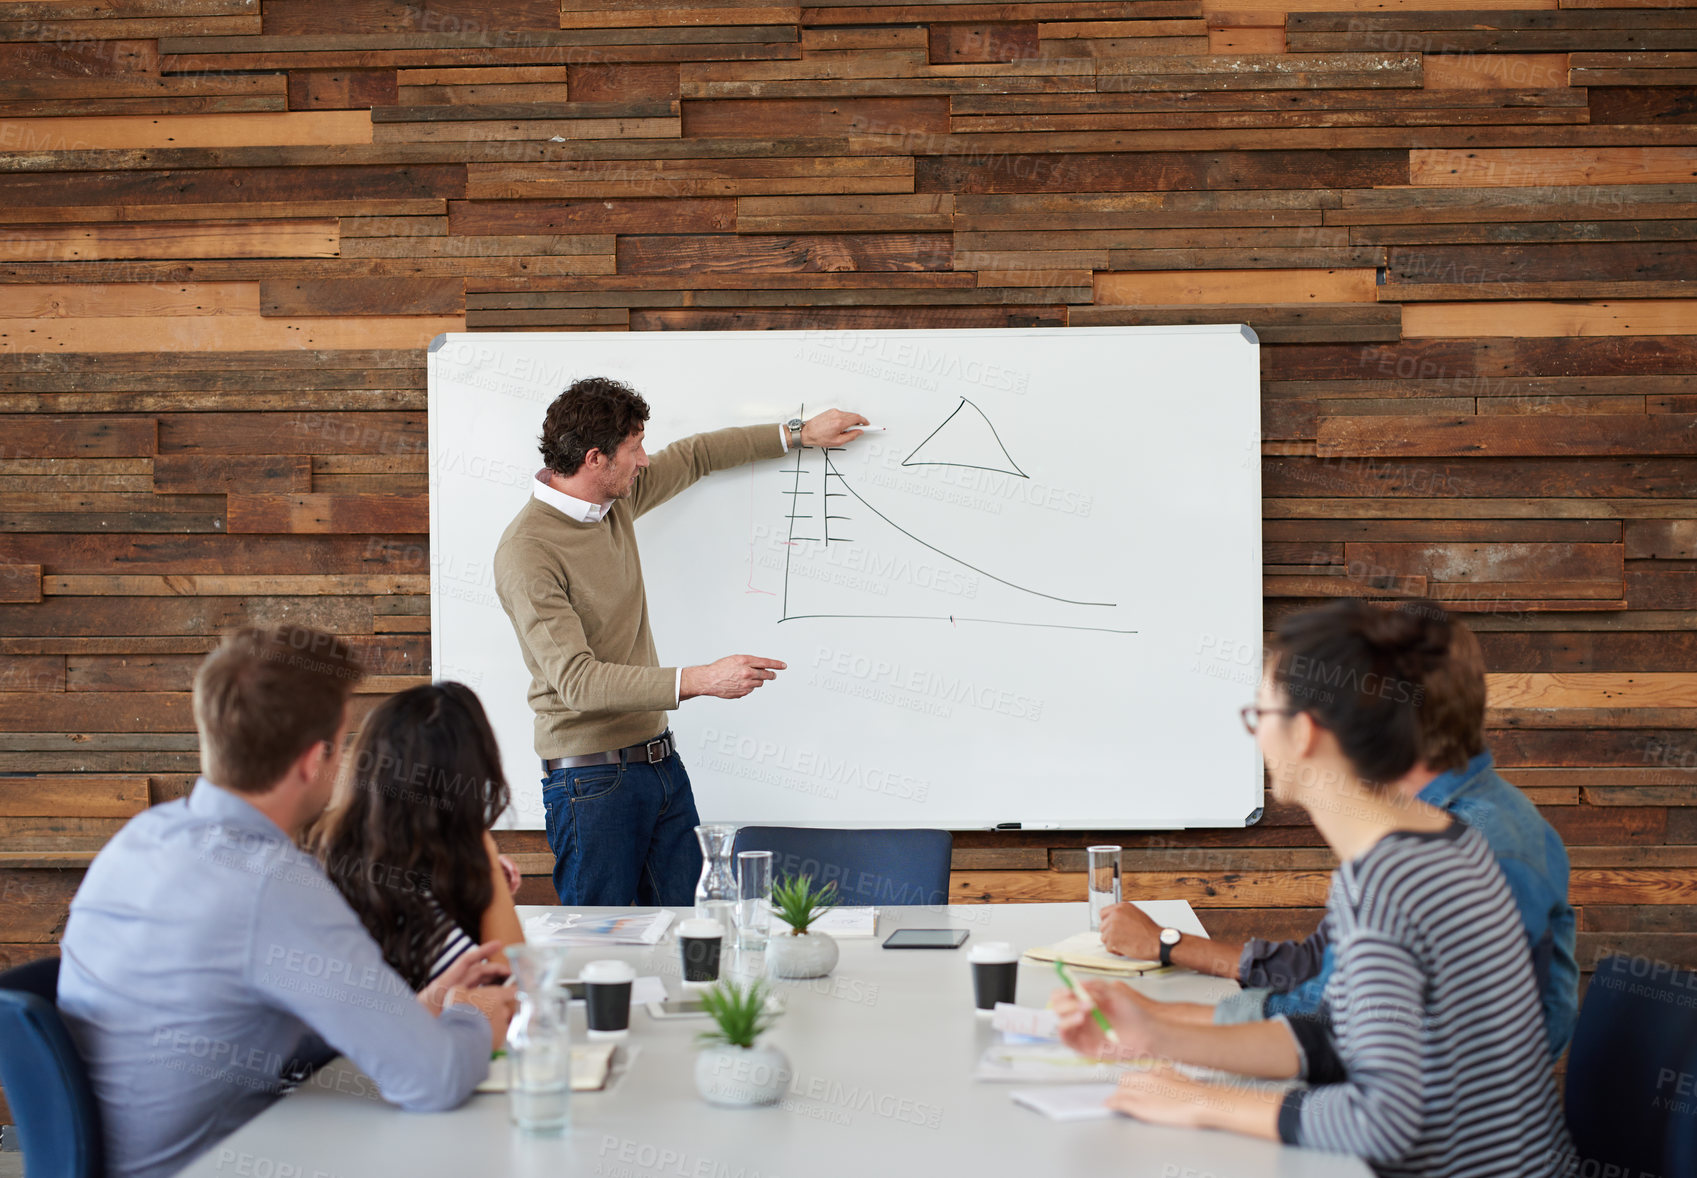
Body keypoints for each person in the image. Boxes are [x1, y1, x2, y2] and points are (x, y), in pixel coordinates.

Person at [1055, 599, 1571, 1176]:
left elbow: (1385, 1124)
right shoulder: (1443, 840)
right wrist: (1153, 1034)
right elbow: (1337, 1037)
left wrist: (1201, 1101)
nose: (1255, 736)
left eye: (1260, 714)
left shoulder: (1389, 884)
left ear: (1302, 732)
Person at [57, 627, 517, 1178]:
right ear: (310, 761)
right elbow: (434, 1080)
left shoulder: (140, 838)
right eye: (343, 743)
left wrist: (420, 1007)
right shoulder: (272, 885)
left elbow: (229, 1016)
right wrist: (472, 1017)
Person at [493, 376, 867, 905]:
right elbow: (576, 681)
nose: (644, 459)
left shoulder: (611, 505)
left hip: (659, 765)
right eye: (634, 448)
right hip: (592, 786)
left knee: (692, 936)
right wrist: (702, 680)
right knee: (601, 951)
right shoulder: (528, 551)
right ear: (596, 458)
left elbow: (696, 456)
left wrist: (799, 433)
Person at [307, 682, 526, 990]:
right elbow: (512, 994)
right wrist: (483, 856)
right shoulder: (416, 913)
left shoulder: (342, 856)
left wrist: (471, 882)